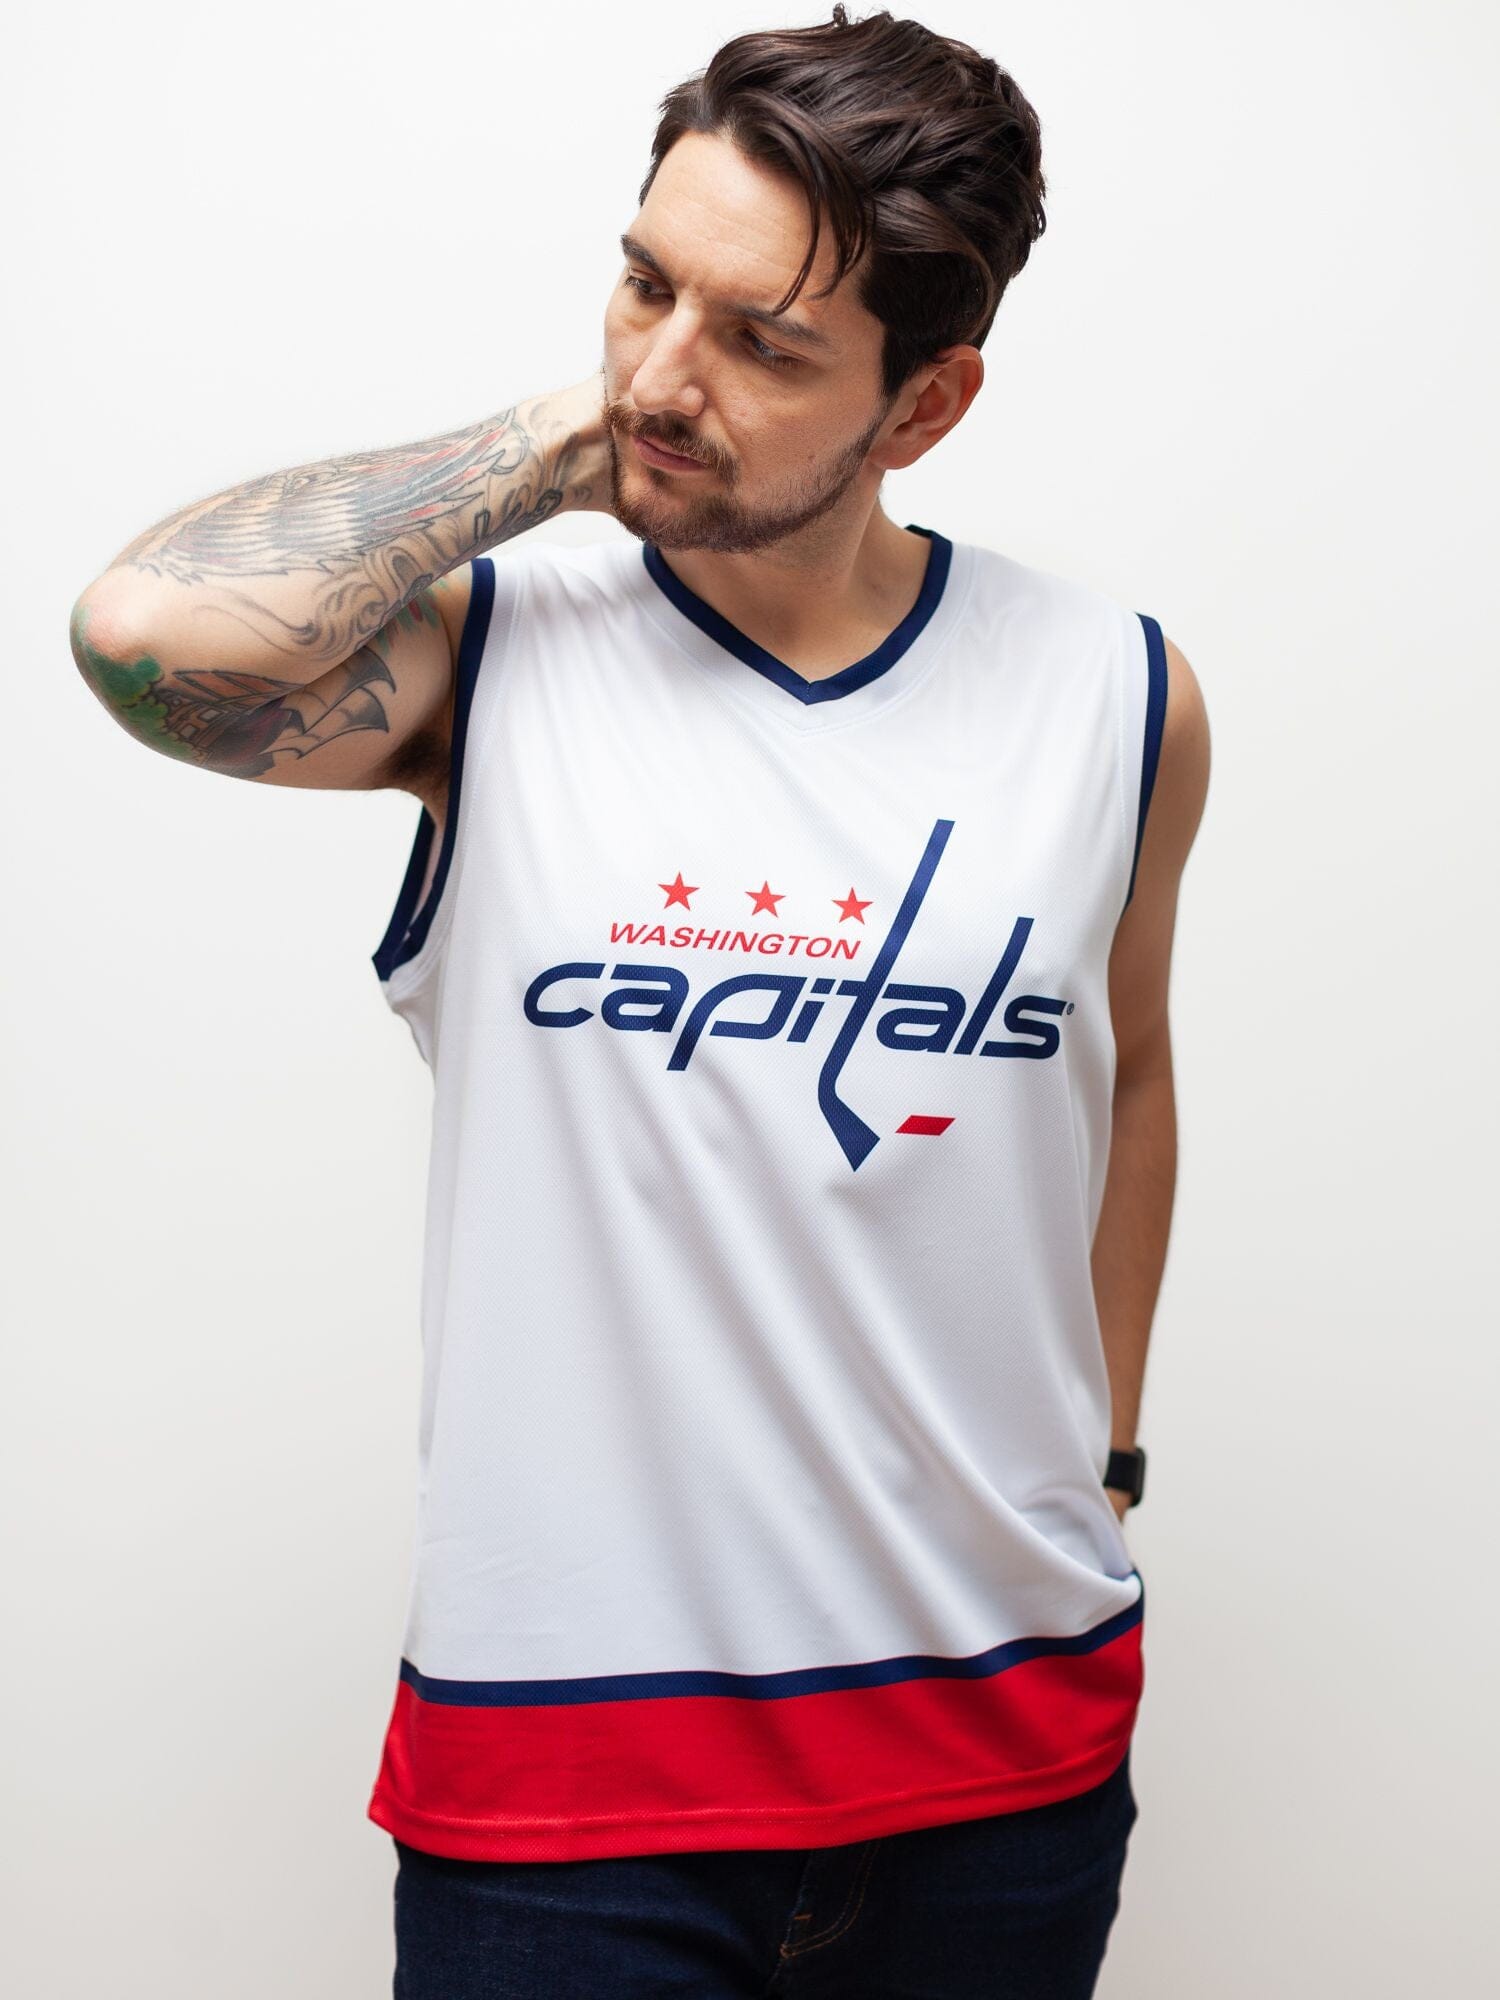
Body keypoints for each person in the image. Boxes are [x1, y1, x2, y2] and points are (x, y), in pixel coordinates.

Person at [68, 8, 1210, 1994]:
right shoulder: (488, 656)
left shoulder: (1116, 694)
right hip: (569, 1778)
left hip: (1005, 1756)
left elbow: (1126, 1083)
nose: (664, 374)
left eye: (764, 341)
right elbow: (141, 636)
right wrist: (557, 442)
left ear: (927, 404)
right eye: (643, 281)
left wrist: (1106, 1462)